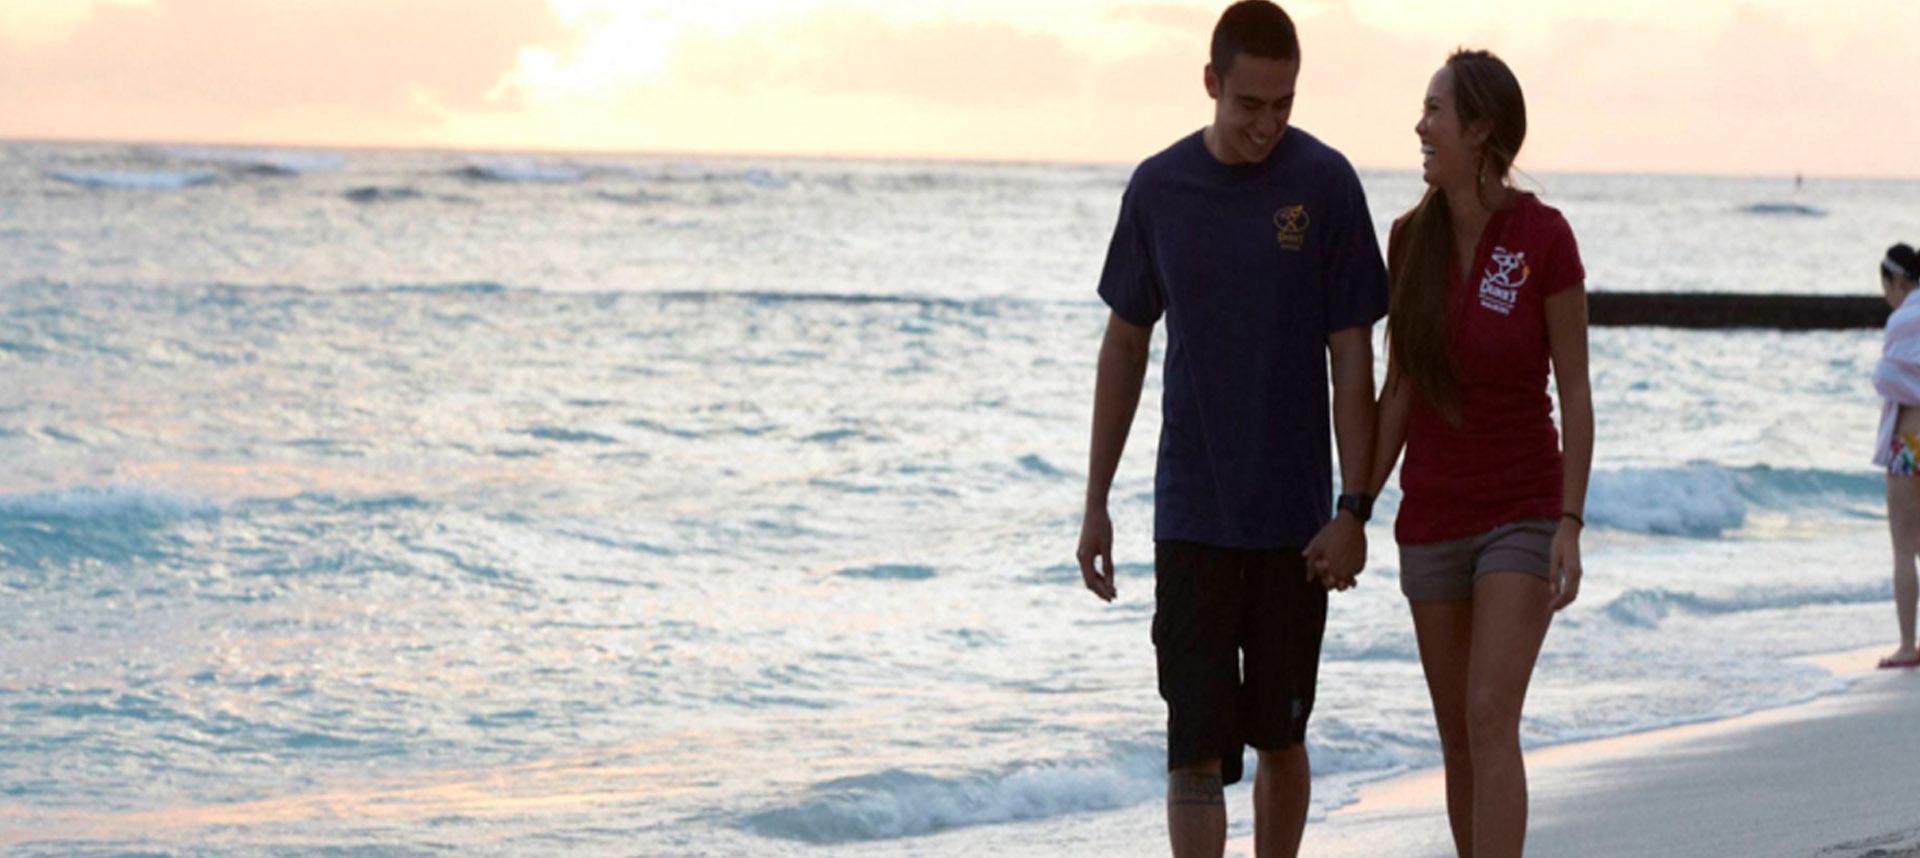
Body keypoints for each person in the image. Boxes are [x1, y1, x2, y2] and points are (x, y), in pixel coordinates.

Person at [1072, 3, 1387, 856]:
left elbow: (1352, 360)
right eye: (1250, 103)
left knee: (1282, 736)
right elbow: (1125, 343)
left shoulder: (1325, 185)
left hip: (1296, 524)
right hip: (1190, 515)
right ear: (1211, 83)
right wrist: (1095, 500)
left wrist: (1355, 508)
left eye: (1283, 103)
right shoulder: (1159, 188)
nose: (1266, 123)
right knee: (1194, 749)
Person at [1358, 49, 1592, 858]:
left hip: (1521, 510)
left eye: (1435, 111)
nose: (1420, 127)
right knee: (1458, 732)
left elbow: (1577, 392)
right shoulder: (1407, 240)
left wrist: (1569, 520)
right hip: (1431, 519)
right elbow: (1398, 393)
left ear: (1480, 130)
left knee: (1491, 712)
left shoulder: (1544, 236)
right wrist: (1354, 506)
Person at [1871, 243, 1920, 670]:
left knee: (1905, 549)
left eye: (1885, 286)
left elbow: (1889, 376)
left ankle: (1909, 645)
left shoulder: (1902, 320)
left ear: (1898, 281)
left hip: (1909, 443)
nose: (1886, 295)